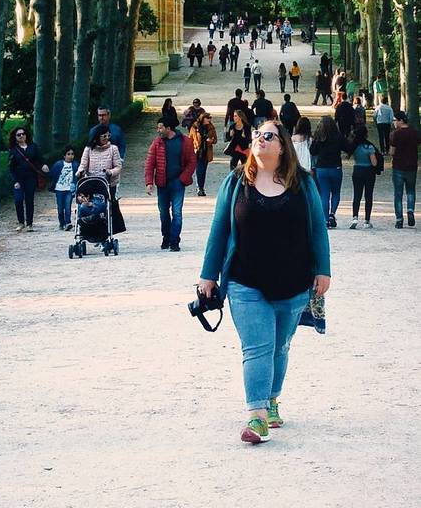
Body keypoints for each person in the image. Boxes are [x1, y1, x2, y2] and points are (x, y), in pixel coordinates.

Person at [197, 120, 331, 445]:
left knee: (280, 346)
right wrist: (208, 275)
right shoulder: (235, 182)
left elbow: (317, 228)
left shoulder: (303, 183)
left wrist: (323, 270)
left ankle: (272, 399)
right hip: (245, 282)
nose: (260, 139)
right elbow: (219, 229)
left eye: (268, 135)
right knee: (258, 347)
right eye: (257, 134)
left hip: (294, 282)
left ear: (283, 146)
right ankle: (256, 416)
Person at [144, 116, 196, 251]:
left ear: (168, 128)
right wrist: (149, 182)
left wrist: (183, 178)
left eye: (160, 127)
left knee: (177, 212)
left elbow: (192, 161)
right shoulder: (157, 143)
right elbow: (150, 163)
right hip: (162, 183)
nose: (158, 130)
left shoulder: (185, 141)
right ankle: (166, 236)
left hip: (178, 182)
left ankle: (174, 241)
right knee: (163, 212)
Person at [77, 128, 126, 233]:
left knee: (107, 206)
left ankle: (107, 230)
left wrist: (111, 172)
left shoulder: (113, 149)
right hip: (91, 183)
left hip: (107, 183)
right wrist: (80, 172)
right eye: (104, 136)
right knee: (87, 204)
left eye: (108, 135)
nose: (106, 138)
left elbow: (118, 167)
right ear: (97, 137)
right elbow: (83, 165)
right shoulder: (88, 149)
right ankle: (87, 228)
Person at [8, 127, 47, 232]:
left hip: (31, 178)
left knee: (29, 200)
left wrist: (43, 165)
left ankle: (29, 224)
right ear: (15, 137)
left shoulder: (33, 147)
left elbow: (40, 159)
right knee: (18, 200)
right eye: (19, 135)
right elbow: (11, 168)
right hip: (19, 179)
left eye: (23, 134)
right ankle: (21, 222)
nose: (21, 136)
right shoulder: (13, 150)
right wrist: (15, 181)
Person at [310, 116, 345, 227]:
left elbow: (312, 151)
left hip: (321, 168)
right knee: (336, 192)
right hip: (335, 168)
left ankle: (325, 219)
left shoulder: (319, 137)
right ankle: (332, 214)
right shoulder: (338, 137)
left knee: (324, 194)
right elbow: (348, 147)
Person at [389, 111, 421, 228]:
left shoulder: (395, 134)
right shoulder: (415, 133)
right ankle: (410, 210)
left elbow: (392, 151)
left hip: (398, 166)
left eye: (395, 120)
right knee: (411, 191)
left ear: (401, 121)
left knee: (398, 194)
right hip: (412, 166)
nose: (394, 122)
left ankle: (399, 219)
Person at [348, 125, 378, 230]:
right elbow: (374, 163)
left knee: (357, 195)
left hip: (357, 170)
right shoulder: (369, 147)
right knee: (368, 195)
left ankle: (355, 217)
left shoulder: (354, 146)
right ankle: (366, 220)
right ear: (366, 134)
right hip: (368, 172)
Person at [50, 145, 78, 230]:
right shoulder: (58, 164)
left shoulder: (75, 165)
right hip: (59, 189)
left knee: (68, 207)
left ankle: (68, 223)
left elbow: (78, 176)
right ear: (64, 155)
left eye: (72, 154)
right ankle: (61, 223)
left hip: (69, 189)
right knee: (60, 208)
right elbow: (52, 174)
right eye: (68, 154)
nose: (70, 156)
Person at [191, 111, 217, 196]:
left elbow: (215, 139)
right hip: (197, 151)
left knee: (203, 171)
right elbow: (190, 139)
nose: (209, 120)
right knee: (199, 170)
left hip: (206, 151)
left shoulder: (211, 127)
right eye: (208, 118)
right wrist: (193, 146)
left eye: (210, 118)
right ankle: (199, 188)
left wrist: (211, 140)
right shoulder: (195, 127)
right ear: (203, 118)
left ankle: (201, 187)